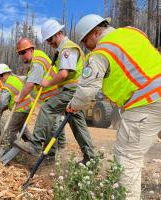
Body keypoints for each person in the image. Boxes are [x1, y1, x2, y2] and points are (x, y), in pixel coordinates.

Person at [67, 14, 161, 200]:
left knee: (127, 159)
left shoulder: (101, 53)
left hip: (147, 102)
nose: (86, 47)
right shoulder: (133, 33)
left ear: (95, 32)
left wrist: (73, 105)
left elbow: (86, 91)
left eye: (85, 41)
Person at [14, 20, 95, 164]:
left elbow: (64, 74)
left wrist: (48, 83)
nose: (50, 43)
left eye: (51, 39)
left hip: (73, 90)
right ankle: (90, 159)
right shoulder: (62, 50)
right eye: (47, 41)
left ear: (58, 33)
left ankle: (35, 145)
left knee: (47, 109)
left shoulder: (67, 49)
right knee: (78, 126)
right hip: (77, 91)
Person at [13, 38, 67, 160]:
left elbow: (31, 84)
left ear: (31, 49)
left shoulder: (37, 62)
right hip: (53, 96)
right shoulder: (38, 58)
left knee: (50, 126)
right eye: (19, 54)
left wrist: (19, 97)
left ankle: (50, 156)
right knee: (53, 126)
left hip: (53, 96)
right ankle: (53, 153)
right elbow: (29, 79)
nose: (21, 56)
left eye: (23, 52)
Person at [0, 63, 33, 146]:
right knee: (21, 126)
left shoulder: (7, 86)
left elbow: (3, 103)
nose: (0, 78)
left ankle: (14, 148)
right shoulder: (17, 78)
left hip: (19, 109)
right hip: (28, 106)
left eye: (1, 75)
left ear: (7, 73)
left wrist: (3, 107)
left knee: (10, 131)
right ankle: (32, 144)